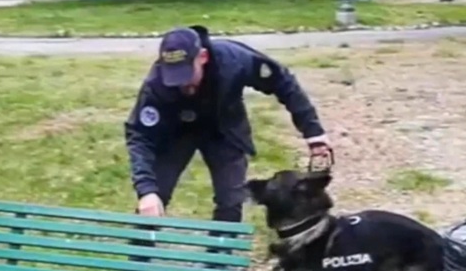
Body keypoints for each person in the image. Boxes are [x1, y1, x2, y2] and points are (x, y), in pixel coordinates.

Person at [125, 25, 330, 223]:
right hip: (175, 132)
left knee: (231, 200)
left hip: (224, 129)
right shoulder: (155, 86)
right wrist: (146, 191)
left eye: (187, 75)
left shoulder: (234, 61)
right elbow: (140, 137)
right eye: (174, 77)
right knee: (155, 196)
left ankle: (220, 255)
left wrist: (314, 134)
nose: (182, 84)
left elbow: (283, 83)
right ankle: (140, 253)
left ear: (203, 57)